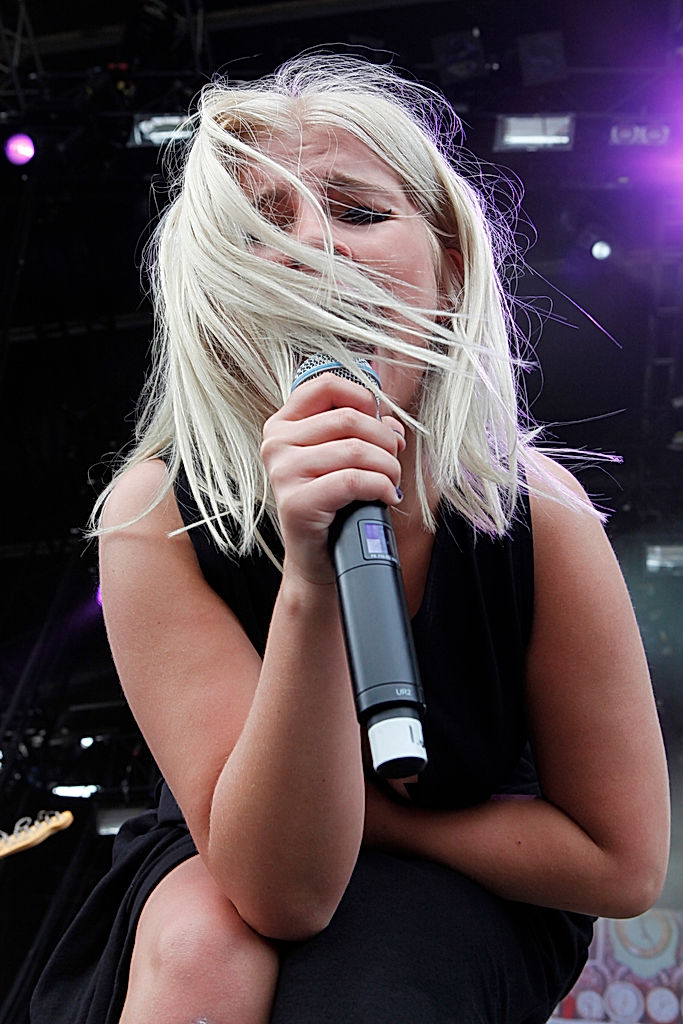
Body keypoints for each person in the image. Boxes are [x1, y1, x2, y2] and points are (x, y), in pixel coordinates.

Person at [31, 53, 669, 1024]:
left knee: (380, 978)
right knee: (201, 947)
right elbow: (280, 889)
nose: (313, 245)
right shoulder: (153, 512)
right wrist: (310, 580)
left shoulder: (537, 513)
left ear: (447, 268)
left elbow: (619, 862)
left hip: (473, 886)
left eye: (359, 210)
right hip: (233, 866)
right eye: (264, 226)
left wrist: (373, 820)